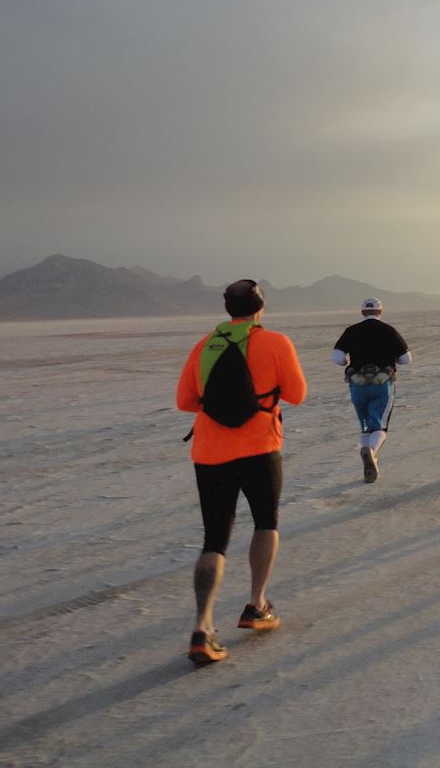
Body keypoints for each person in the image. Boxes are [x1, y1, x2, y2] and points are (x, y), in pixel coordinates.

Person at [176, 279, 307, 665]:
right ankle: (256, 605)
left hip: (210, 452)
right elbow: (297, 394)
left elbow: (185, 401)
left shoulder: (203, 346)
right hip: (260, 447)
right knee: (266, 522)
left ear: (227, 310)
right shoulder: (275, 342)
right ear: (259, 308)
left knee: (214, 538)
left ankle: (202, 628)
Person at [333, 297, 412, 483]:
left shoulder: (351, 331)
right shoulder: (389, 330)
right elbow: (406, 359)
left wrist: (347, 362)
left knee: (366, 425)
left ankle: (368, 456)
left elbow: (337, 357)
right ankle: (371, 452)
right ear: (380, 311)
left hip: (357, 384)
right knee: (380, 426)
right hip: (382, 383)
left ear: (362, 312)